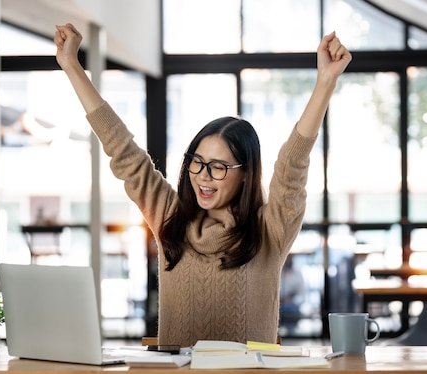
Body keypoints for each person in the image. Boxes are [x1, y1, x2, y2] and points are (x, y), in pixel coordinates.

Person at [53, 23, 351, 347]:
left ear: (247, 173)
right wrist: (71, 65)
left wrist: (325, 81)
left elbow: (292, 166)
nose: (203, 176)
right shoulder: (169, 216)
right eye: (197, 161)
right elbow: (122, 149)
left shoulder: (270, 229)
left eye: (219, 167)